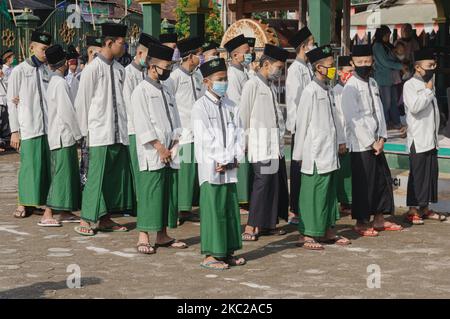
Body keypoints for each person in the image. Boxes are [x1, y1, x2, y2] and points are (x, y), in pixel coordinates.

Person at [74, 23, 134, 236]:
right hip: (98, 133)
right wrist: (81, 135)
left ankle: (105, 218)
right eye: (122, 43)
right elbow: (82, 104)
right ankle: (86, 218)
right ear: (109, 43)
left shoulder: (119, 70)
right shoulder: (92, 69)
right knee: (95, 178)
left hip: (118, 133)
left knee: (110, 179)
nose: (124, 46)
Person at [132, 42, 188, 254]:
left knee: (167, 193)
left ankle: (163, 235)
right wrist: (159, 147)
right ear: (153, 66)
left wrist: (174, 143)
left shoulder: (167, 89)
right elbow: (143, 124)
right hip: (153, 152)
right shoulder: (141, 91)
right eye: (166, 66)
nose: (168, 71)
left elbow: (175, 118)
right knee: (151, 193)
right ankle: (143, 236)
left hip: (171, 150)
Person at [342, 44, 403, 237]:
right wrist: (370, 142)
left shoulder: (373, 83)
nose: (364, 65)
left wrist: (383, 137)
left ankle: (379, 218)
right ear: (352, 63)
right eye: (359, 62)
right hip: (362, 145)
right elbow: (353, 119)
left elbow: (380, 112)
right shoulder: (350, 87)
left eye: (367, 61)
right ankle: (361, 222)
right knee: (364, 184)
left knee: (381, 181)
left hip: (378, 141)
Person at [293, 45, 350, 250]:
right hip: (315, 152)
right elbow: (302, 124)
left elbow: (337, 118)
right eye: (329, 65)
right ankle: (307, 234)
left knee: (328, 193)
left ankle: (327, 230)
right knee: (313, 193)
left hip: (330, 150)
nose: (332, 68)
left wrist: (341, 140)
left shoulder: (328, 89)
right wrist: (298, 153)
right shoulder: (310, 91)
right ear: (318, 68)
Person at [193, 57, 246, 270]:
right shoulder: (200, 107)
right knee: (213, 210)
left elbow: (240, 134)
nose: (223, 82)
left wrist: (234, 158)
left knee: (230, 210)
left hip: (230, 168)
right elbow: (205, 138)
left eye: (225, 78)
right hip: (212, 168)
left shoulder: (231, 105)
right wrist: (222, 159)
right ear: (207, 81)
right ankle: (211, 255)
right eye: (219, 79)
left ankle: (228, 251)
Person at [240, 44, 289, 241]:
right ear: (266, 64)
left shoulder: (269, 85)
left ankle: (268, 224)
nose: (280, 71)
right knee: (262, 184)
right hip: (259, 145)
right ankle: (251, 226)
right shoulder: (252, 85)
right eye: (278, 67)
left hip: (274, 145)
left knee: (273, 185)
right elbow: (243, 116)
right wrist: (242, 143)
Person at [7, 31, 52, 219]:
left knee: (44, 168)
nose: (45, 53)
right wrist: (15, 131)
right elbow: (11, 101)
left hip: (47, 127)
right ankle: (22, 203)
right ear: (31, 47)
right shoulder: (20, 71)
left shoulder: (46, 70)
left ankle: (37, 202)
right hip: (29, 126)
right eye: (42, 49)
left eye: (47, 49)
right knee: (29, 167)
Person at [404, 48, 446, 225]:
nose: (432, 68)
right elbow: (414, 107)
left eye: (434, 65)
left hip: (431, 138)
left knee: (430, 174)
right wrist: (428, 91)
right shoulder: (410, 85)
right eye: (429, 65)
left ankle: (425, 208)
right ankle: (413, 209)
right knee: (418, 175)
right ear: (418, 67)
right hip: (418, 138)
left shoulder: (428, 83)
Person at [166, 36, 204, 225]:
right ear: (190, 56)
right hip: (183, 131)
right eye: (199, 53)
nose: (201, 56)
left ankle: (188, 208)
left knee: (193, 171)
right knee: (184, 171)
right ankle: (181, 208)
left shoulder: (197, 75)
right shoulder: (175, 77)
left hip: (198, 130)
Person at [44, 44, 83, 226]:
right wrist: (78, 134)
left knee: (67, 175)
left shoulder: (55, 82)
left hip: (61, 135)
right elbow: (67, 112)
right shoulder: (59, 84)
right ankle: (47, 214)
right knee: (60, 175)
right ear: (64, 63)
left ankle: (65, 211)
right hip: (62, 136)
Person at [123, 32, 159, 217]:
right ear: (139, 53)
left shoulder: (147, 73)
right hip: (135, 128)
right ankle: (139, 206)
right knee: (139, 170)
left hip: (149, 129)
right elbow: (129, 105)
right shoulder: (128, 73)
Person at [285, 26, 315, 225]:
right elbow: (295, 100)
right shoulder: (295, 70)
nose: (314, 47)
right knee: (297, 168)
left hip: (312, 125)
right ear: (304, 47)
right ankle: (295, 209)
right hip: (300, 125)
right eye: (312, 43)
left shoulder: (309, 67)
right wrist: (298, 124)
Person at [223, 34, 252, 212]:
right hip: (239, 124)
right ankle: (241, 200)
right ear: (235, 55)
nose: (249, 55)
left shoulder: (245, 71)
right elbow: (237, 104)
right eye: (246, 52)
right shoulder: (232, 74)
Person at [77, 35, 102, 190]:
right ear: (90, 52)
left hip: (100, 127)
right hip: (87, 126)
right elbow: (81, 103)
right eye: (96, 54)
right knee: (86, 163)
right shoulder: (84, 73)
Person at [372, 25, 407, 130]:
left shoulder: (388, 46)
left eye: (389, 35)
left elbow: (396, 57)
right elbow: (384, 62)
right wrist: (400, 66)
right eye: (386, 35)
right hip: (383, 79)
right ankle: (384, 123)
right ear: (381, 35)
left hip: (392, 79)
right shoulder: (377, 46)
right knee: (386, 103)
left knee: (394, 102)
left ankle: (396, 122)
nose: (388, 37)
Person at [334, 55, 354, 216]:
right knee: (343, 174)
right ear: (340, 72)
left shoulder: (353, 89)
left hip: (354, 138)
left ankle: (349, 201)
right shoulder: (336, 91)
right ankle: (344, 202)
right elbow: (338, 118)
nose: (351, 74)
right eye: (348, 71)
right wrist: (341, 140)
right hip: (343, 139)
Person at [0, 58, 11, 152]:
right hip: (0, 99)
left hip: (4, 100)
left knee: (5, 122)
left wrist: (2, 77)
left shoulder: (3, 73)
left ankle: (4, 142)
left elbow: (7, 83)